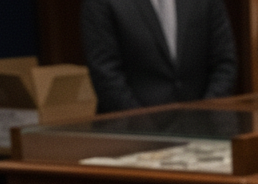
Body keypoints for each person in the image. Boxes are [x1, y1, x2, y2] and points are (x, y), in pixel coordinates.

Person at [81, 0, 239, 113]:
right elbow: (106, 74)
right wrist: (143, 127)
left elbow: (224, 62)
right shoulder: (100, 3)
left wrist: (205, 114)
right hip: (132, 135)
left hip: (202, 133)